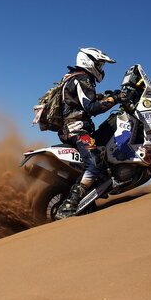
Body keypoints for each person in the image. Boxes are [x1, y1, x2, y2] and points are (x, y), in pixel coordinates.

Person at [54, 47, 124, 220]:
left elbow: (85, 99)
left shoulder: (74, 78)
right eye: (99, 64)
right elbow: (91, 107)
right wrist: (115, 99)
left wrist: (109, 95)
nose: (101, 68)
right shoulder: (82, 78)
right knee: (93, 163)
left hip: (75, 128)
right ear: (88, 61)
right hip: (76, 130)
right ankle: (68, 206)